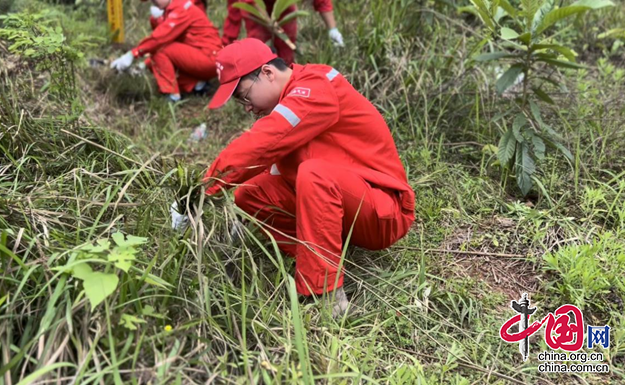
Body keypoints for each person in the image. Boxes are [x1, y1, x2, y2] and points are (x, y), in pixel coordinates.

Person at [202, 38, 415, 317]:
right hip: (346, 204)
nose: (247, 108)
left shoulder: (313, 88)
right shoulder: (292, 97)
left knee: (314, 174)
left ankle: (329, 299)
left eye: (244, 96)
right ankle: (321, 253)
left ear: (267, 73)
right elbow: (266, 162)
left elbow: (264, 142)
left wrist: (203, 188)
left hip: (383, 211)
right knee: (250, 193)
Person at [110, 0, 222, 102]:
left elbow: (159, 39)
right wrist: (143, 65)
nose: (154, 3)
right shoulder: (171, 10)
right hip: (203, 57)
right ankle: (196, 85)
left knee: (160, 50)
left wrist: (133, 54)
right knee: (158, 63)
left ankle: (172, 95)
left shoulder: (181, 8)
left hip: (209, 58)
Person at [221, 0, 344, 64]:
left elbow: (322, 1)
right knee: (258, 43)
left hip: (282, 3)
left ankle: (286, 77)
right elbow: (243, 6)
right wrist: (269, 22)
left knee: (286, 44)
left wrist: (332, 29)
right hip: (255, 5)